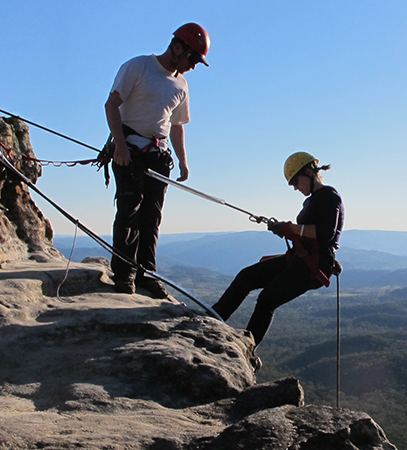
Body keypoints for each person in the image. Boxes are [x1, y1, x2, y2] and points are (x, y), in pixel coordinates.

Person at [105, 23, 210, 298]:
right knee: (130, 210)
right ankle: (124, 274)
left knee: (152, 217)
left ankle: (147, 274)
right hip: (129, 148)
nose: (193, 66)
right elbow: (112, 105)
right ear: (177, 48)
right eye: (193, 59)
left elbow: (176, 125)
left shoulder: (182, 85)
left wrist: (183, 161)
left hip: (158, 154)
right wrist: (119, 146)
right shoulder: (138, 67)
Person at [212, 152, 344, 350]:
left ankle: (247, 348)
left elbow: (325, 233)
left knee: (267, 299)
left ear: (309, 172)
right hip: (303, 258)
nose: (295, 187)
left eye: (296, 182)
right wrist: (283, 229)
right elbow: (307, 233)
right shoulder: (311, 200)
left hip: (315, 263)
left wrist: (290, 228)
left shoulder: (329, 196)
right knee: (247, 276)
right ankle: (213, 318)